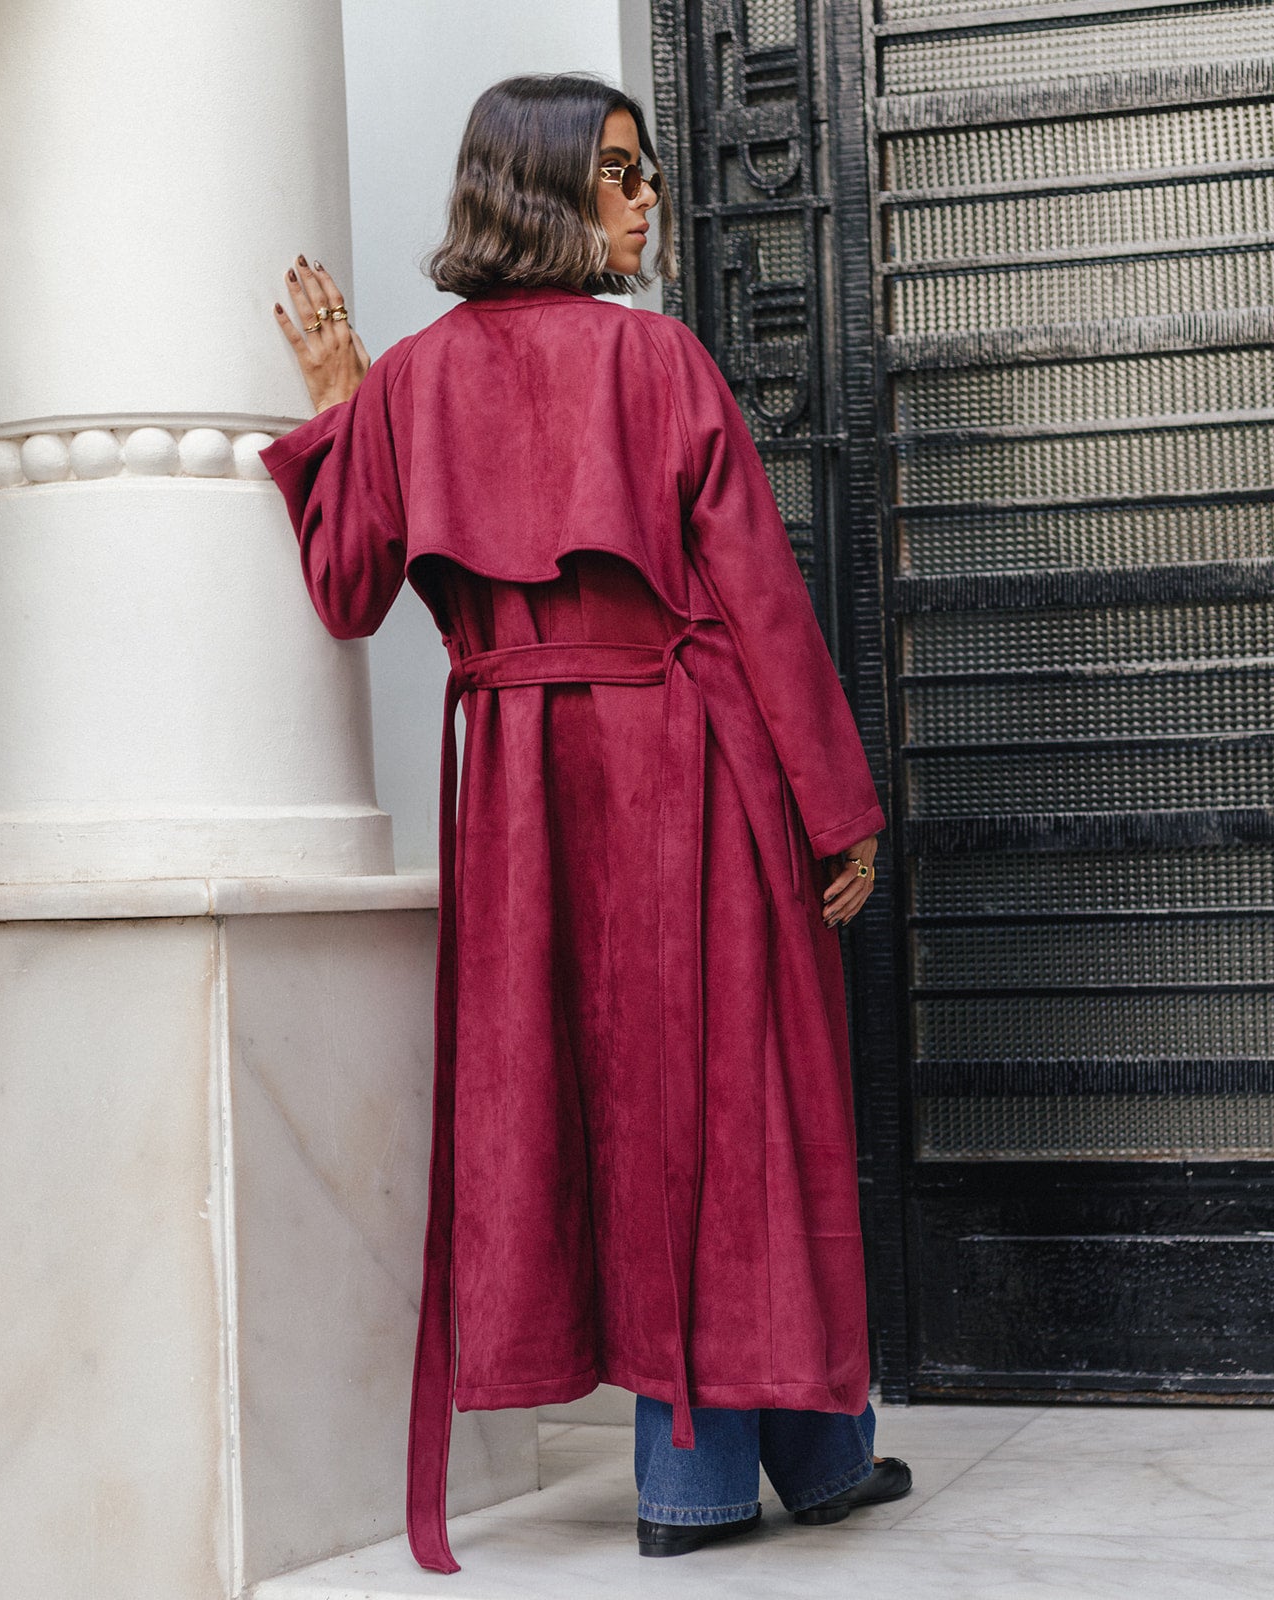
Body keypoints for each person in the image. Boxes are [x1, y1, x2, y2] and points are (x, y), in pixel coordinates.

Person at [260, 72, 910, 1576]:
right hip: (696, 759)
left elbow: (349, 592)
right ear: (543, 189)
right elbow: (759, 600)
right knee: (735, 1105)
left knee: (609, 1107)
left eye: (647, 173)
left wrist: (350, 406)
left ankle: (810, 1458)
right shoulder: (660, 360)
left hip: (530, 802)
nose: (646, 202)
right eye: (618, 174)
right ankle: (713, 1483)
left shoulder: (416, 382)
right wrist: (836, 808)